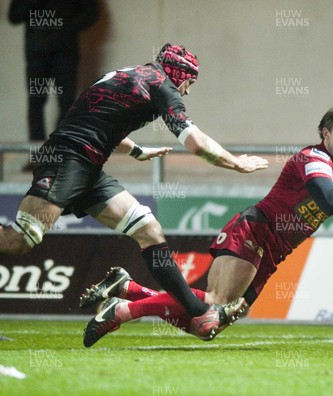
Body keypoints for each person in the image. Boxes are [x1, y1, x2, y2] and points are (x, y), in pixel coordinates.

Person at [0, 43, 269, 339]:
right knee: (20, 240)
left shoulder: (128, 74)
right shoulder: (162, 86)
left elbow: (96, 120)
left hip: (87, 166)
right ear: (178, 74)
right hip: (67, 161)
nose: (187, 91)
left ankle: (196, 310)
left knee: (148, 229)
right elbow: (196, 143)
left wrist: (137, 150)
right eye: (189, 82)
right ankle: (197, 310)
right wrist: (237, 163)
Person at [80, 101, 333, 347]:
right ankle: (121, 310)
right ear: (325, 134)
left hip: (276, 252)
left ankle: (129, 289)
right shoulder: (313, 159)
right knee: (215, 303)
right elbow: (331, 201)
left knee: (206, 326)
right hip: (255, 231)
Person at [8, 0, 100, 171]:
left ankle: (59, 155)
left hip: (65, 53)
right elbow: (14, 16)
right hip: (37, 53)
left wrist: (68, 28)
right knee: (36, 103)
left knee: (67, 104)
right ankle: (39, 156)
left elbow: (92, 13)